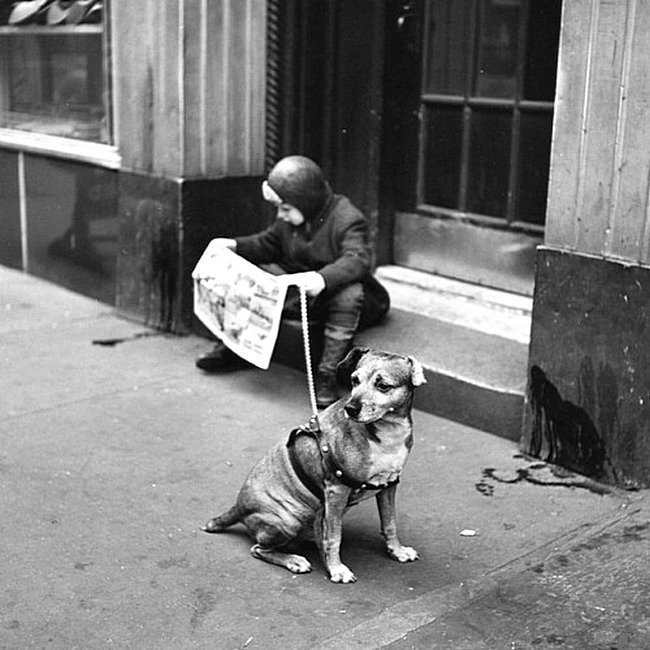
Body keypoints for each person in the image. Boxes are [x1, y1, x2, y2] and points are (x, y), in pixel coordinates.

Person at [195, 155, 390, 408]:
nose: (281, 215)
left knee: (348, 293)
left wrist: (321, 278)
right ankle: (237, 348)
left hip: (342, 298)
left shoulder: (346, 218)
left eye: (285, 209)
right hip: (302, 292)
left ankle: (328, 374)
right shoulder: (293, 217)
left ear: (305, 201)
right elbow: (268, 244)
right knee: (247, 275)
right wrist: (234, 245)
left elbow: (358, 259)